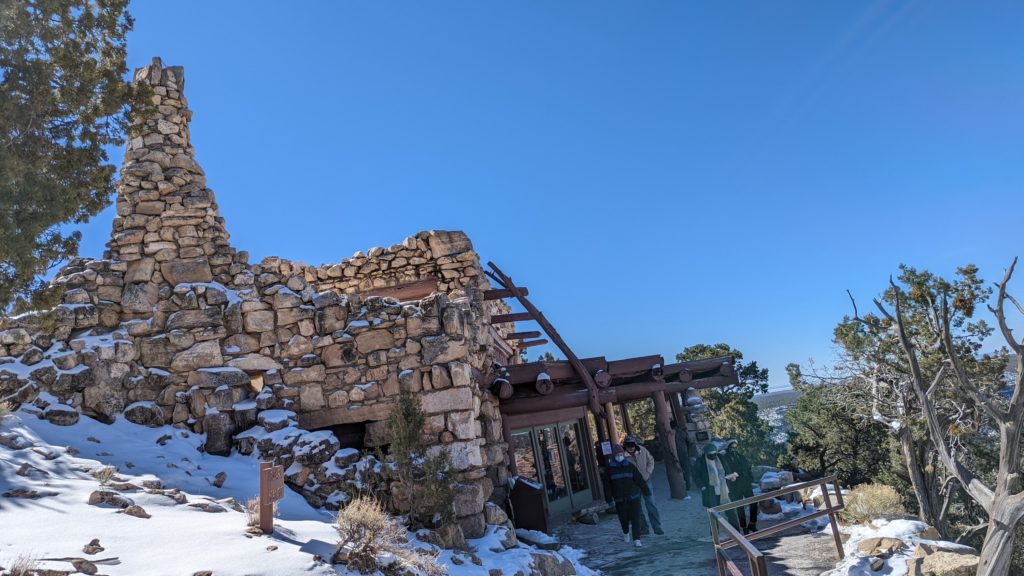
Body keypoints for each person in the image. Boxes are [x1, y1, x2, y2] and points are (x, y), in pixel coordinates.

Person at [606, 443, 651, 548]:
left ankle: (637, 539)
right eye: (617, 454)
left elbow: (639, 479)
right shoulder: (610, 470)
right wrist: (609, 499)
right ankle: (626, 532)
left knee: (635, 518)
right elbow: (607, 486)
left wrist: (646, 491)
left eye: (620, 454)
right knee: (623, 518)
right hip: (619, 499)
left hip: (633, 497)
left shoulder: (630, 466)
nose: (619, 456)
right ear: (613, 456)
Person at [692, 443, 740, 529]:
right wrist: (702, 487)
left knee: (731, 512)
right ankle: (715, 535)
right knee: (714, 515)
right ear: (706, 453)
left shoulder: (720, 457)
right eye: (711, 454)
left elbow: (727, 468)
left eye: (714, 453)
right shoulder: (701, 461)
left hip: (724, 490)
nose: (713, 456)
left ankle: (737, 532)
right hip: (711, 491)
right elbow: (696, 475)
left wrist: (731, 476)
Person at [623, 435, 664, 535]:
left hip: (646, 480)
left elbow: (651, 461)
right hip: (633, 484)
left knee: (651, 504)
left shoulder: (643, 450)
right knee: (637, 507)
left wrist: (648, 472)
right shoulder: (624, 456)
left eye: (632, 445)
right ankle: (644, 528)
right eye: (628, 446)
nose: (631, 448)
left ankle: (657, 527)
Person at [721, 439, 757, 534]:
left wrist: (750, 478)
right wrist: (732, 475)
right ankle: (744, 527)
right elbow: (725, 471)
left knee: (753, 503)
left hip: (746, 484)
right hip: (735, 486)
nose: (734, 447)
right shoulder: (725, 458)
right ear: (728, 446)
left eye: (735, 445)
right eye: (732, 445)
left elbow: (747, 467)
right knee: (740, 507)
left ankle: (752, 524)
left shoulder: (740, 456)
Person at [670, 419, 694, 498]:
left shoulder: (671, 434)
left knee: (676, 470)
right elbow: (689, 442)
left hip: (675, 454)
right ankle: (688, 485)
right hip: (684, 453)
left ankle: (681, 485)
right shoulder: (682, 432)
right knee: (686, 469)